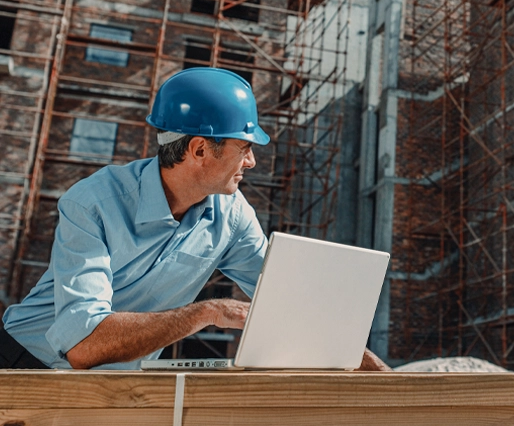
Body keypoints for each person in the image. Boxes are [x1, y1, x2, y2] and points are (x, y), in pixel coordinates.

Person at [1, 68, 389, 371]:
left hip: (109, 380)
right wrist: (208, 312)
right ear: (200, 149)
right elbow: (83, 345)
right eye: (244, 148)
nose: (251, 162)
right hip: (20, 364)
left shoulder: (232, 215)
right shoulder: (94, 203)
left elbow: (291, 302)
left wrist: (373, 368)